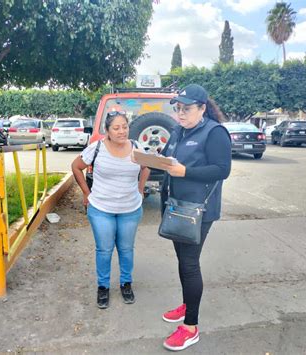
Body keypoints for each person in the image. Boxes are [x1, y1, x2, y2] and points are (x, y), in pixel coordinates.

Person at [158, 84, 232, 351]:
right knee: (182, 260)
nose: (180, 114)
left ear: (202, 108)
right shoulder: (179, 130)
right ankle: (188, 304)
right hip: (176, 205)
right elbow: (169, 158)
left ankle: (191, 327)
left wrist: (185, 171)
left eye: (186, 109)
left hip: (198, 210)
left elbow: (222, 170)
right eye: (178, 108)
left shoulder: (214, 133)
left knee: (189, 264)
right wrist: (156, 159)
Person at [71, 111, 150, 309]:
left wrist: (140, 189)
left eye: (124, 126)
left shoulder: (137, 147)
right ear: (107, 131)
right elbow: (75, 166)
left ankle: (126, 283)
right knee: (104, 250)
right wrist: (86, 193)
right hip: (101, 209)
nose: (121, 131)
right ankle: (103, 287)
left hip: (130, 209)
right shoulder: (96, 147)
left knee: (126, 249)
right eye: (116, 128)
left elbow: (146, 166)